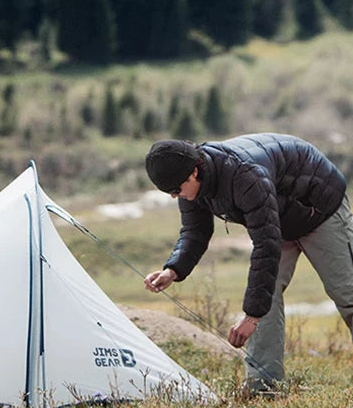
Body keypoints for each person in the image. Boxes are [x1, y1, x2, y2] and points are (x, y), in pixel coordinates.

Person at [143, 133, 352, 394]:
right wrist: (172, 270)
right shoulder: (190, 186)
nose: (176, 197)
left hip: (319, 208)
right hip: (277, 218)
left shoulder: (244, 175)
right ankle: (263, 387)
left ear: (194, 171)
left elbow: (266, 246)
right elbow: (195, 232)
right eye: (170, 193)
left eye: (176, 190)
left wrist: (251, 317)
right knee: (266, 294)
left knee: (346, 291)